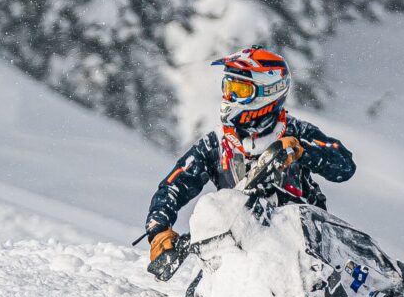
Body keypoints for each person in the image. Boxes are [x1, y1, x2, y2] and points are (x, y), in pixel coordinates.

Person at [146, 46, 356, 264]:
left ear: (269, 90)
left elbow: (344, 166)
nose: (230, 97)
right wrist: (159, 229)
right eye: (228, 88)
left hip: (304, 250)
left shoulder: (296, 132)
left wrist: (304, 152)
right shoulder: (216, 143)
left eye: (241, 90)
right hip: (238, 252)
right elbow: (173, 186)